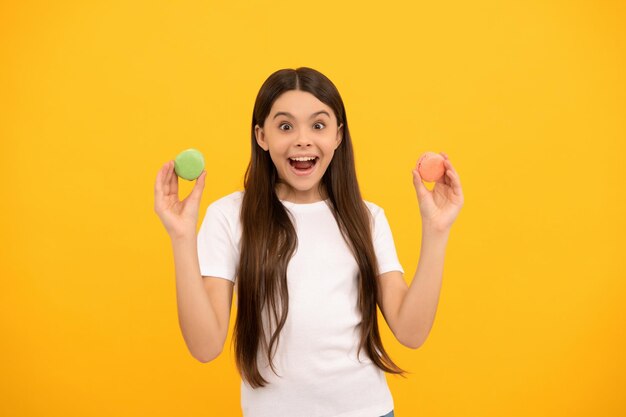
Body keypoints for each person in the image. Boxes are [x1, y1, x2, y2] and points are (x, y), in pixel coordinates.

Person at [154, 67, 464, 417]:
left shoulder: (367, 217)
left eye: (318, 125)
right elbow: (205, 345)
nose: (303, 139)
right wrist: (181, 236)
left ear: (338, 136)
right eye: (285, 126)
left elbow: (411, 331)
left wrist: (437, 230)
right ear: (261, 135)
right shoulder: (229, 216)